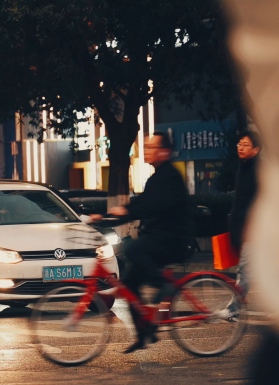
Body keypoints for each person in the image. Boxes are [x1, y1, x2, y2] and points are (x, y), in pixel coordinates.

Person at [92, 132, 194, 354]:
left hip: (173, 240)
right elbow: (144, 204)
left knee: (132, 247)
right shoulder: (156, 177)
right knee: (129, 284)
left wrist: (125, 211)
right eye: (146, 147)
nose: (146, 151)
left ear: (165, 152)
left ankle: (164, 284)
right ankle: (144, 333)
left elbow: (151, 207)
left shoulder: (169, 177)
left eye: (151, 147)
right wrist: (109, 215)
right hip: (159, 238)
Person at [218, 130, 261, 321]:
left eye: (245, 145)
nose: (240, 147)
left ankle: (233, 309)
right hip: (244, 229)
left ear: (256, 149)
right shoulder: (242, 168)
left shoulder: (258, 171)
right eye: (239, 144)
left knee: (244, 270)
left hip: (254, 231)